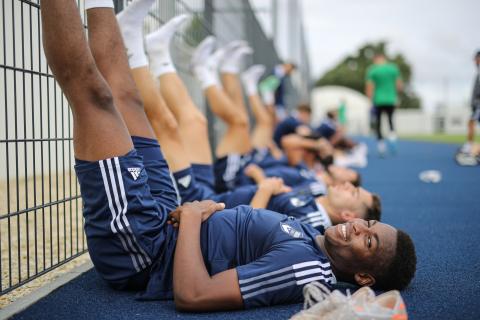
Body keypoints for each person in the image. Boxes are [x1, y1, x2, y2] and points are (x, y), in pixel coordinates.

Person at [42, 0, 416, 311]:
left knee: (94, 96)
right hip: (169, 217)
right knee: (128, 100)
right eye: (368, 226)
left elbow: (194, 295)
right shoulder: (313, 238)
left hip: (145, 247)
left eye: (368, 241)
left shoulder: (307, 268)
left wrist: (192, 218)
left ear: (364, 278)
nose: (357, 227)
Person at [366, 53, 403, 156]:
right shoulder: (393, 68)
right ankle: (392, 138)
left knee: (378, 123)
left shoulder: (372, 70)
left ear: (376, 59)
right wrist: (397, 97)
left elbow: (369, 87)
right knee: (390, 120)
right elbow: (399, 85)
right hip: (391, 99)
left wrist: (370, 100)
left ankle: (381, 145)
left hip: (378, 100)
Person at [461, 50, 480, 154]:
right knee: (471, 123)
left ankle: (469, 146)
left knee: (471, 123)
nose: (474, 61)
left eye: (476, 59)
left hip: (479, 105)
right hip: (476, 105)